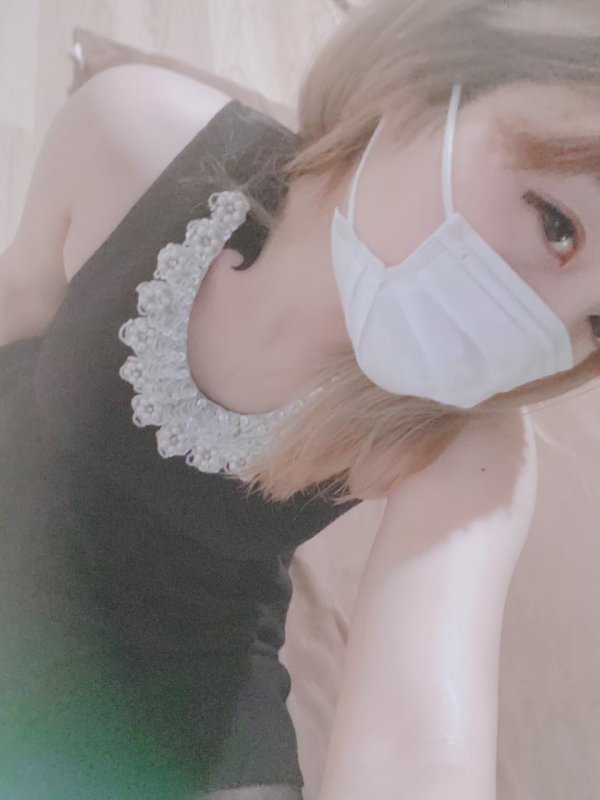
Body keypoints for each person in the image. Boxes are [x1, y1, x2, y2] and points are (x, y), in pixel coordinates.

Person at [1, 0, 600, 797]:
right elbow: (18, 304)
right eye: (557, 223)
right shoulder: (133, 141)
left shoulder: (470, 448)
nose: (547, 326)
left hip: (185, 662)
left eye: (599, 321)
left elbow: (414, 741)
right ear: (417, 81)